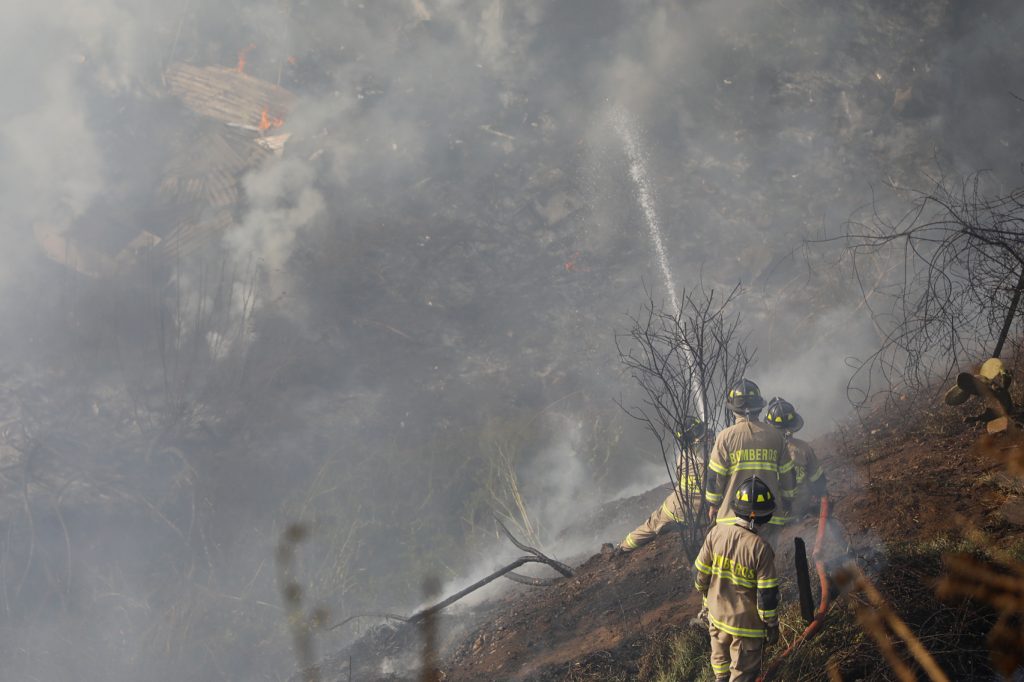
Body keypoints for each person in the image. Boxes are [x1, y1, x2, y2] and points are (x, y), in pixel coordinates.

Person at [694, 476, 780, 682]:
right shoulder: (760, 548)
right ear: (762, 516)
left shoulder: (716, 533)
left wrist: (706, 601)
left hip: (716, 617)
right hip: (746, 629)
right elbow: (766, 596)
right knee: (742, 675)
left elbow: (700, 576)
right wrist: (772, 625)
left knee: (720, 669)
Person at [704, 379, 796, 532]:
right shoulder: (776, 436)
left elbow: (715, 477)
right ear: (759, 408)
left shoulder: (725, 437)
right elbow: (788, 475)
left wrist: (713, 504)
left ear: (733, 409)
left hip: (732, 519)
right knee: (764, 555)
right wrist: (787, 501)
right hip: (770, 517)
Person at [617, 416, 709, 554]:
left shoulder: (682, 459)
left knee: (653, 523)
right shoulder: (717, 450)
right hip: (708, 513)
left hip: (680, 509)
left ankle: (623, 547)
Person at [764, 397, 827, 518]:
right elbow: (818, 480)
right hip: (800, 509)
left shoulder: (764, 451)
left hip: (772, 514)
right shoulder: (803, 448)